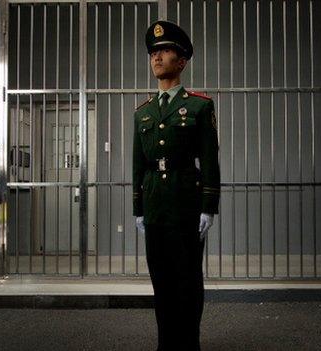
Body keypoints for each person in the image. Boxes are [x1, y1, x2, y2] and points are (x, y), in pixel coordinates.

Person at [132, 20, 221, 351]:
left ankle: (189, 344)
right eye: (154, 52)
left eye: (165, 50)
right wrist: (138, 208)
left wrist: (208, 207)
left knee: (187, 282)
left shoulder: (199, 106)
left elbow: (210, 160)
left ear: (181, 61)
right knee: (162, 282)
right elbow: (137, 165)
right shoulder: (143, 113)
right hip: (154, 205)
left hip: (186, 204)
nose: (157, 57)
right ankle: (166, 345)